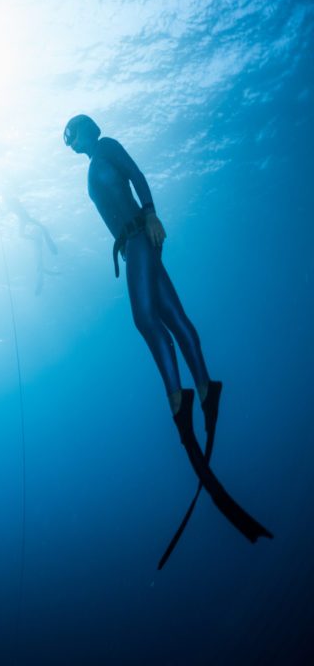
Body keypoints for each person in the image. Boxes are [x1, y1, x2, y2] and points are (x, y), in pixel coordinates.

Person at [63, 114, 271, 549]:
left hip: (141, 236)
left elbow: (136, 176)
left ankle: (179, 395)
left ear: (86, 129)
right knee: (172, 318)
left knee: (145, 319)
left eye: (69, 133)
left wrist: (153, 214)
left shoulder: (106, 147)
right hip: (132, 242)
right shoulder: (90, 163)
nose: (66, 141)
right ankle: (203, 386)